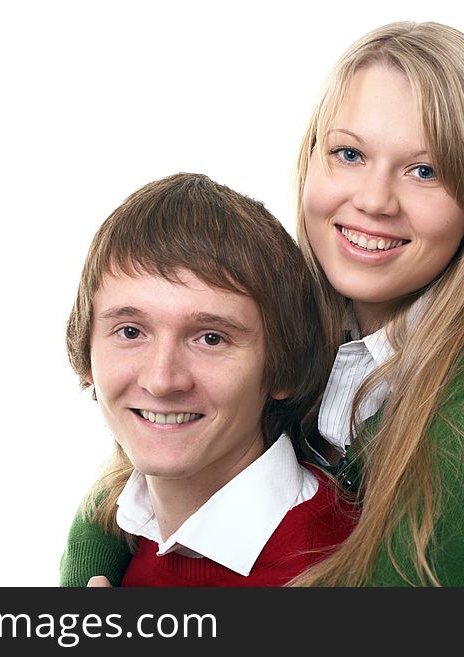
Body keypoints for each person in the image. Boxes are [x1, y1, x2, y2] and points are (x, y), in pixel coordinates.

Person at [61, 21, 464, 586]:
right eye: (349, 155)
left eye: (424, 170)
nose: (374, 200)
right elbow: (131, 479)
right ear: (310, 155)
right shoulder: (300, 319)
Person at [62, 172, 356, 586]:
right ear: (87, 354)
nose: (162, 380)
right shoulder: (119, 526)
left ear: (282, 368)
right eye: (130, 332)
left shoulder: (334, 569)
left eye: (210, 338)